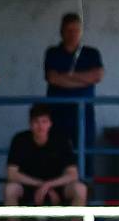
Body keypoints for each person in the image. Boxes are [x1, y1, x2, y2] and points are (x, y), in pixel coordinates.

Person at [4, 103, 87, 221]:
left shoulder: (61, 140)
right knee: (10, 189)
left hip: (57, 189)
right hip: (28, 188)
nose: (40, 126)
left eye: (44, 121)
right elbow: (11, 174)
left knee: (80, 189)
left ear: (50, 123)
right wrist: (41, 186)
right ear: (30, 124)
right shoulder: (20, 140)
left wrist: (48, 186)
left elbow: (73, 174)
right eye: (36, 122)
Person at [44, 12, 103, 174]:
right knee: (56, 154)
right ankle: (56, 194)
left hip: (84, 114)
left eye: (76, 30)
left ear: (81, 32)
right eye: (69, 30)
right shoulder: (53, 53)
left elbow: (97, 75)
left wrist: (67, 76)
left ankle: (85, 196)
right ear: (62, 31)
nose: (72, 34)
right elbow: (53, 78)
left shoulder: (91, 53)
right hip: (58, 113)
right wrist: (83, 79)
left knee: (86, 155)